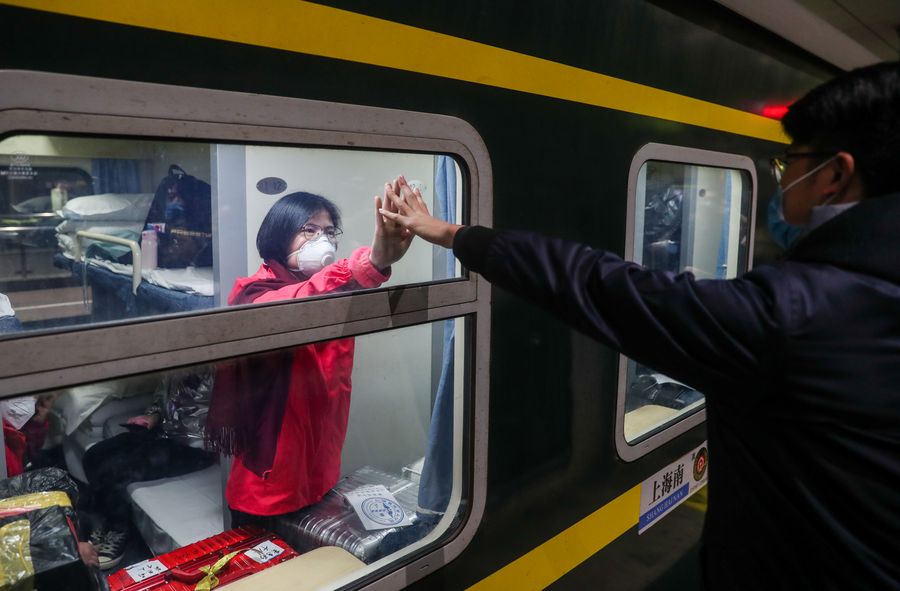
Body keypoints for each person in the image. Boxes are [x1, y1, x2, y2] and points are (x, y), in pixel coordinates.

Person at [380, 62, 900, 589]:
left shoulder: (795, 316)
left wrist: (456, 235)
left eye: (791, 165)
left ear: (835, 176)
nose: (783, 181)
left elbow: (601, 286)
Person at [205, 187, 413, 528]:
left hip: (321, 469)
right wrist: (368, 262)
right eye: (309, 230)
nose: (323, 240)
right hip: (269, 484)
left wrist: (379, 262)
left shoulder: (331, 292)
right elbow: (292, 306)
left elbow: (346, 289)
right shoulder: (253, 292)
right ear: (279, 235)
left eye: (329, 232)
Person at [82, 369, 216, 570]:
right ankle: (108, 519)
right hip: (162, 434)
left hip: (195, 446)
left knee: (115, 469)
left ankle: (119, 529)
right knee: (93, 455)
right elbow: (164, 398)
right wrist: (152, 417)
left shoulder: (216, 367)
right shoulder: (175, 362)